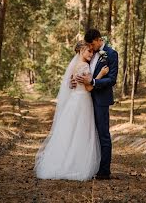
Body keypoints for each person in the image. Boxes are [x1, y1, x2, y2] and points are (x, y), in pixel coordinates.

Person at [34, 40, 109, 181]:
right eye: (89, 51)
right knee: (81, 132)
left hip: (75, 100)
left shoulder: (74, 65)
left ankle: (63, 163)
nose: (91, 54)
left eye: (92, 52)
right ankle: (76, 166)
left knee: (70, 132)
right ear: (81, 50)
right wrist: (101, 74)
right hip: (82, 102)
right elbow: (89, 87)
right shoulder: (84, 66)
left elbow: (74, 84)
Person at [73, 28, 119, 180]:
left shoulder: (111, 54)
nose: (90, 49)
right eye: (89, 46)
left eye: (92, 44)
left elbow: (111, 79)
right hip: (85, 99)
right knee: (88, 133)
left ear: (99, 40)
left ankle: (104, 171)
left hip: (100, 99)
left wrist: (93, 81)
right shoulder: (90, 53)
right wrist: (75, 80)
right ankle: (89, 165)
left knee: (103, 134)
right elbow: (82, 69)